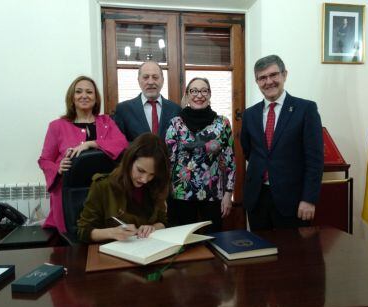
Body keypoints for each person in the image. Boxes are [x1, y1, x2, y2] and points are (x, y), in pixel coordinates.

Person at [240, 55, 323, 230]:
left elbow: (315, 160)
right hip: (257, 199)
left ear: (284, 75)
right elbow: (249, 151)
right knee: (260, 253)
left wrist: (309, 199)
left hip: (293, 201)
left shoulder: (306, 109)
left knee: (293, 255)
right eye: (262, 78)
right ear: (257, 81)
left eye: (273, 75)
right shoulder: (250, 114)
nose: (268, 82)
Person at [38, 76, 128, 233]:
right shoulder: (57, 126)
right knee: (71, 244)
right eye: (78, 92)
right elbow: (44, 160)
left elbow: (122, 145)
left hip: (104, 194)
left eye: (89, 92)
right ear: (72, 97)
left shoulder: (107, 121)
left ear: (95, 97)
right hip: (68, 195)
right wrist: (58, 168)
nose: (84, 96)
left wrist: (91, 143)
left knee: (102, 238)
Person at [165, 77, 236, 233]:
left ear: (210, 94)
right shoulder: (176, 123)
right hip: (181, 193)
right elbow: (168, 161)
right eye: (194, 91)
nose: (199, 95)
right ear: (188, 95)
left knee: (214, 240)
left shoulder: (222, 123)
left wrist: (228, 194)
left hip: (212, 194)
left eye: (204, 90)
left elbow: (230, 160)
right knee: (185, 241)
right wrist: (164, 195)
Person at [77, 133, 170, 242]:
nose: (145, 179)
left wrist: (153, 228)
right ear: (129, 161)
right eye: (141, 171)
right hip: (112, 252)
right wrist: (111, 232)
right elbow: (83, 231)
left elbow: (163, 221)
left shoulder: (156, 184)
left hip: (146, 250)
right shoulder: (103, 186)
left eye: (152, 174)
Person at [113, 60, 181, 142]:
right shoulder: (123, 109)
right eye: (145, 77)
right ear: (138, 80)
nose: (151, 82)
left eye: (155, 77)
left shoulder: (175, 109)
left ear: (162, 80)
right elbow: (119, 144)